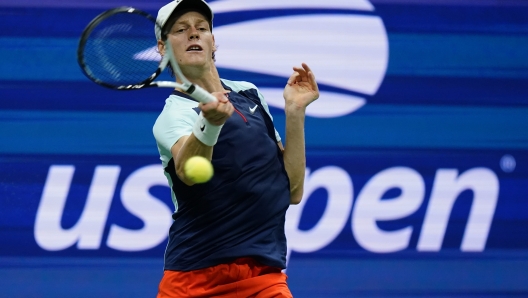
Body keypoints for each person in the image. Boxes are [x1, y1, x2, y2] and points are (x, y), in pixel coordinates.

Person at [152, 0, 319, 297]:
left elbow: (292, 190)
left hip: (264, 277)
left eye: (201, 28)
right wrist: (210, 124)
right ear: (163, 49)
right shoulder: (174, 115)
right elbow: (189, 173)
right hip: (195, 279)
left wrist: (294, 112)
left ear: (213, 41)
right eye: (180, 30)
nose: (193, 34)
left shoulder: (249, 93)